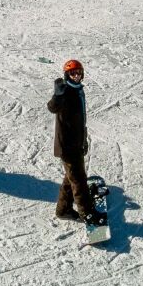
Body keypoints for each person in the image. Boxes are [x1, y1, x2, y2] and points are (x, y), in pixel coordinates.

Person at [48, 59, 95, 221]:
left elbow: (80, 121)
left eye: (78, 72)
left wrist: (83, 140)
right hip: (67, 146)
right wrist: (57, 95)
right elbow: (52, 107)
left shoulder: (78, 90)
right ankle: (87, 214)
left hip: (76, 143)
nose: (76, 75)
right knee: (79, 182)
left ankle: (63, 210)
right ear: (67, 75)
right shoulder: (65, 92)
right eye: (72, 73)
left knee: (71, 178)